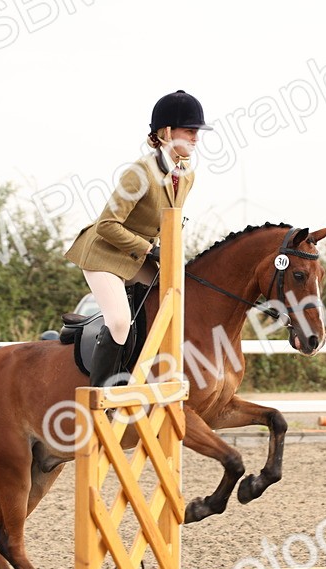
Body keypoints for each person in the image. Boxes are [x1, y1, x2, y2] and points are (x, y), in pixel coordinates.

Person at [65, 90, 212, 386]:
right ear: (168, 132)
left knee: (170, 300)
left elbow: (168, 222)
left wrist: (166, 251)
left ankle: (141, 375)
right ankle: (99, 396)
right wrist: (148, 249)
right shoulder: (139, 173)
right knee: (119, 322)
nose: (196, 138)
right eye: (190, 131)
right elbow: (107, 225)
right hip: (103, 255)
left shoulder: (186, 174)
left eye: (197, 132)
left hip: (137, 257)